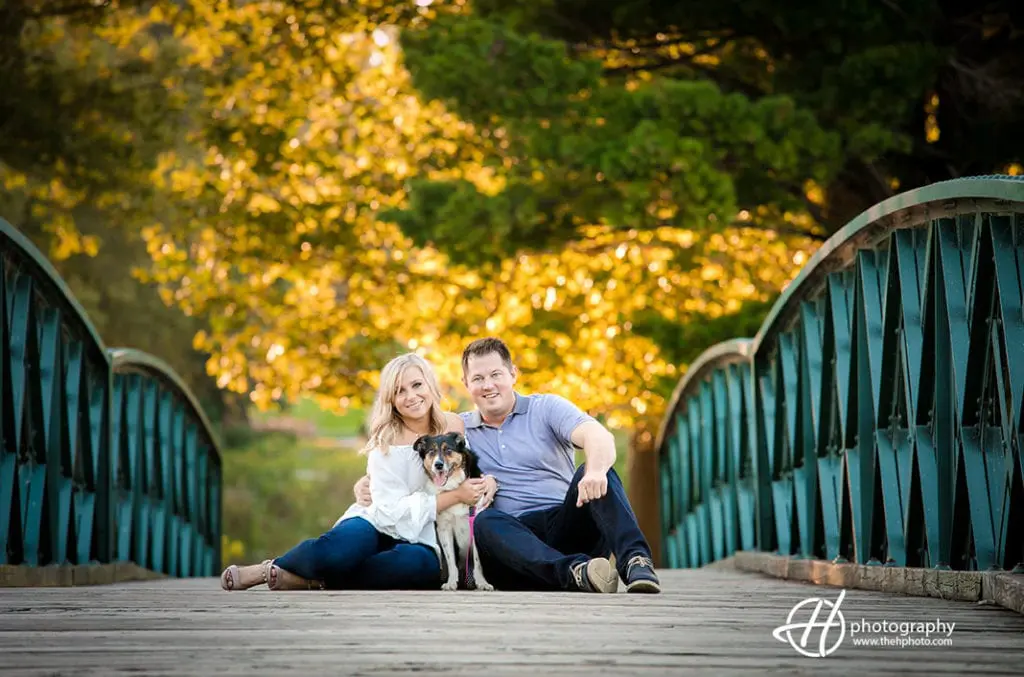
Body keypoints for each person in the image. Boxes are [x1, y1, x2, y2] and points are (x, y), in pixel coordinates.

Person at [354, 337, 661, 594]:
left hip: (565, 523)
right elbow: (412, 452)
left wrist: (594, 471)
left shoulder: (546, 408)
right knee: (485, 522)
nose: (488, 385)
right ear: (466, 384)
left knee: (597, 470)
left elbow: (598, 436)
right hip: (510, 542)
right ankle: (577, 573)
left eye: (496, 375)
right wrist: (367, 482)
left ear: (513, 373)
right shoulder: (459, 431)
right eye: (478, 378)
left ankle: (635, 562)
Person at [220, 353, 486, 591]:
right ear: (391, 400)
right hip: (379, 519)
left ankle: (311, 581)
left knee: (417, 567)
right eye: (400, 391)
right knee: (336, 553)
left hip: (425, 532)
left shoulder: (453, 425)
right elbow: (389, 508)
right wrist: (453, 497)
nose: (411, 396)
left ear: (430, 384)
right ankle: (268, 569)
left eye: (417, 385)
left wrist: (486, 484)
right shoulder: (386, 438)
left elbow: (471, 470)